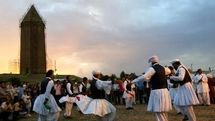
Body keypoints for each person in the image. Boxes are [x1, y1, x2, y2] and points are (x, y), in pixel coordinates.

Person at [132, 55, 172, 121]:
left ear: (151, 62)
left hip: (157, 91)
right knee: (164, 111)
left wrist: (134, 81)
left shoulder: (152, 69)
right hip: (165, 91)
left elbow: (144, 77)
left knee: (158, 111)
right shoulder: (164, 68)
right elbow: (169, 71)